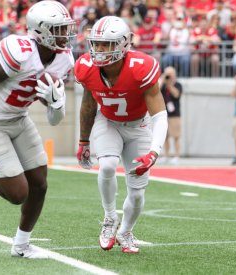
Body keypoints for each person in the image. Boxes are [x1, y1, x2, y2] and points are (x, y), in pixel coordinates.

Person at [0, 0, 76, 258]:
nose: (65, 35)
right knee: (18, 194)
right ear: (41, 30)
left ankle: (21, 244)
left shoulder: (64, 59)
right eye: (59, 29)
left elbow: (54, 119)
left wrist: (56, 104)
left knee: (40, 184)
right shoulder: (19, 51)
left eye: (65, 29)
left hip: (19, 119)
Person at [75, 16, 167, 253]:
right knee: (106, 166)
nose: (100, 49)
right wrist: (84, 140)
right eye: (97, 43)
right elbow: (88, 105)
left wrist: (155, 152)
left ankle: (125, 232)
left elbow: (159, 115)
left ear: (124, 44)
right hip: (108, 122)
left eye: (107, 44)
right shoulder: (86, 67)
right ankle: (108, 218)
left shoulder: (141, 67)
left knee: (136, 193)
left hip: (139, 127)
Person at [160, 66, 183, 165]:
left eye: (171, 74)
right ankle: (166, 156)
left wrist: (169, 84)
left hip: (175, 114)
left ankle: (177, 156)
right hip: (164, 113)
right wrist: (163, 79)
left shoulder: (178, 84)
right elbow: (156, 91)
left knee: (176, 136)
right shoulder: (163, 85)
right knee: (165, 137)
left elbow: (176, 94)